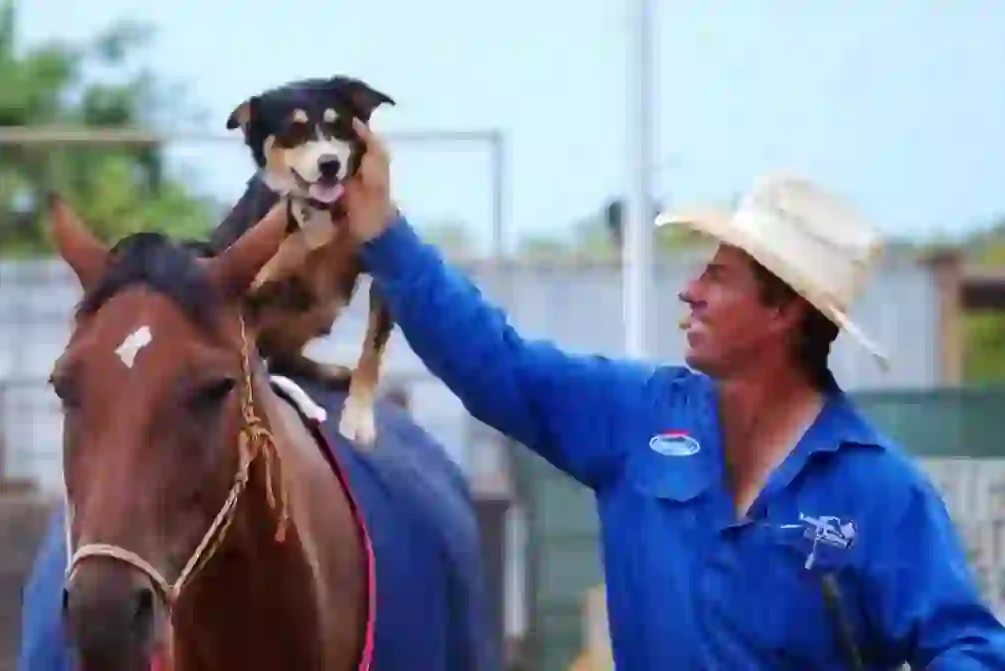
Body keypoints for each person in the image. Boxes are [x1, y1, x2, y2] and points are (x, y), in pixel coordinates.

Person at [336, 118, 1005, 669]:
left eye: (718, 275)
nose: (691, 290)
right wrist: (383, 232)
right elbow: (494, 361)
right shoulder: (635, 416)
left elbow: (968, 648)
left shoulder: (879, 490)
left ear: (785, 313)